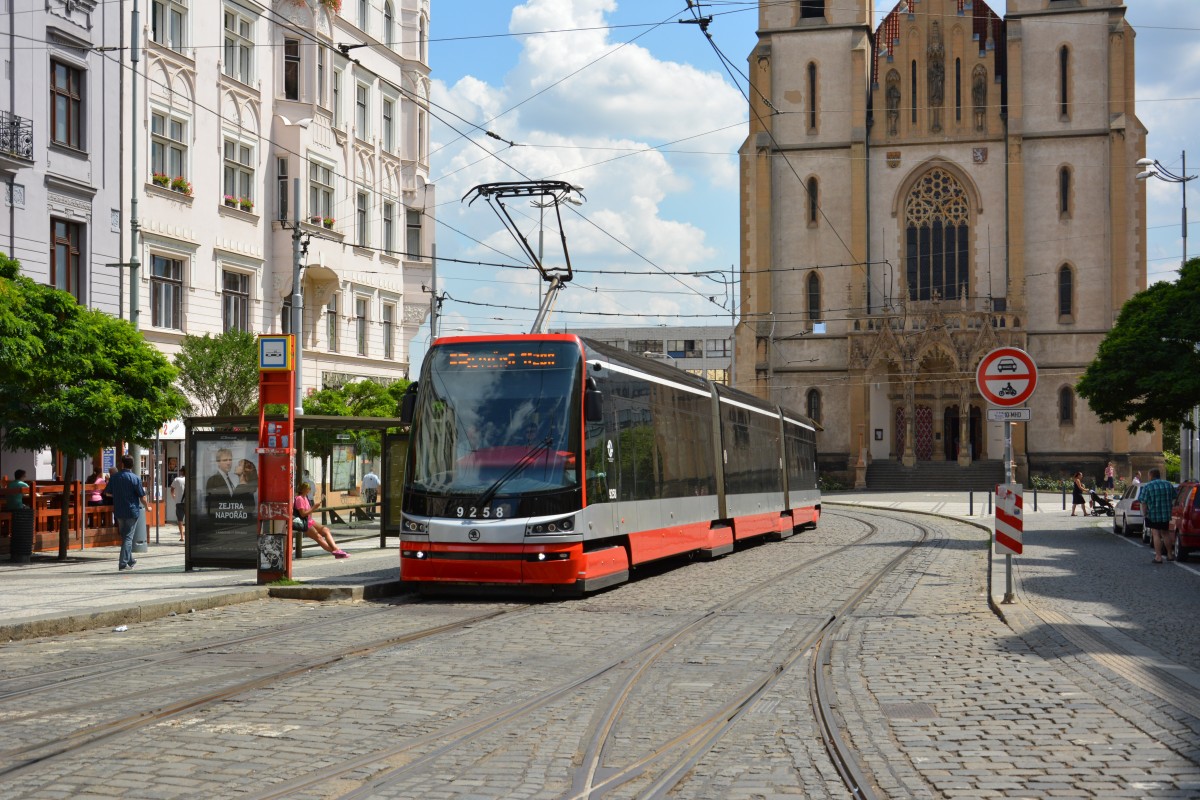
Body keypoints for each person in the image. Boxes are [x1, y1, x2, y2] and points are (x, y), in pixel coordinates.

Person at [109, 455, 148, 571]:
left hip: (119, 510)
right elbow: (142, 496)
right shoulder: (135, 478)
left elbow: (107, 493)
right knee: (128, 537)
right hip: (132, 510)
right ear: (133, 465)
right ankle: (123, 563)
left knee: (125, 536)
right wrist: (147, 507)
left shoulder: (115, 478)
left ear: (122, 464)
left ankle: (130, 560)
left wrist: (118, 495)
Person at [294, 482, 348, 558]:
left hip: (309, 520)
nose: (309, 490)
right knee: (318, 537)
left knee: (325, 530)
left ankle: (336, 550)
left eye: (309, 489)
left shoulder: (305, 498)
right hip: (305, 522)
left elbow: (308, 511)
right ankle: (336, 551)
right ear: (303, 489)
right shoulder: (299, 498)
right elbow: (303, 514)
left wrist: (314, 507)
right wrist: (314, 508)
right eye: (307, 489)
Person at [1140, 468, 1177, 564]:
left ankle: (1158, 557)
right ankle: (1169, 554)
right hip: (1165, 513)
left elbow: (1143, 502)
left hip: (1153, 514)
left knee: (1155, 533)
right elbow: (1174, 497)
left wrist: (1144, 514)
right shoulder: (1168, 484)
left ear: (1151, 475)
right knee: (1165, 533)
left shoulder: (1148, 486)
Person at [170, 466, 187, 542]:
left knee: (180, 520)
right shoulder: (190, 479)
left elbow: (172, 488)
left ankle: (182, 536)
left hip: (179, 502)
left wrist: (173, 495)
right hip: (188, 502)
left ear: (182, 472)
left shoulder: (177, 479)